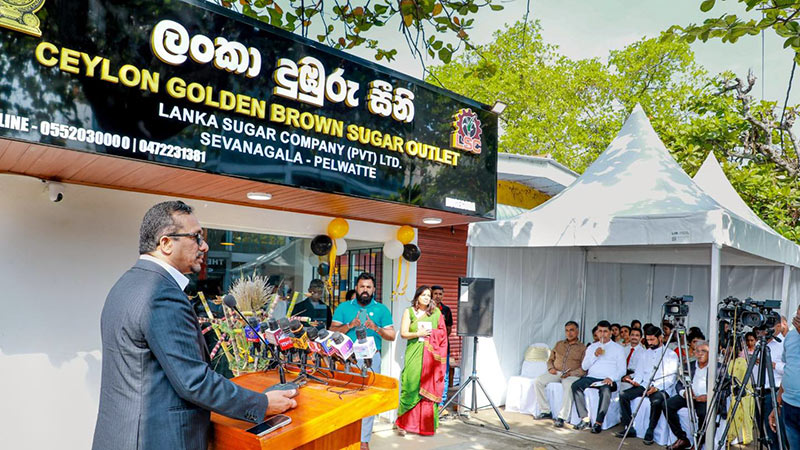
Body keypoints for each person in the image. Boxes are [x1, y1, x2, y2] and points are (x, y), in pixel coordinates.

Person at [92, 201, 298, 450]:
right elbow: (195, 381)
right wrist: (262, 404)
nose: (205, 246)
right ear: (166, 243)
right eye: (196, 237)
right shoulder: (161, 294)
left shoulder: (126, 284)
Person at [330, 272, 396, 450]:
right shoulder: (344, 307)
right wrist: (350, 325)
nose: (365, 290)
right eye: (362, 286)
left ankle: (363, 440)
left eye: (368, 287)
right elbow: (332, 331)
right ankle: (345, 435)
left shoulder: (382, 310)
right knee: (346, 397)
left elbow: (392, 335)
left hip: (371, 360)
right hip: (347, 358)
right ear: (356, 288)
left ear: (373, 289)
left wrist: (376, 328)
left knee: (367, 398)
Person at [395, 286, 448, 436]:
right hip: (414, 353)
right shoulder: (409, 311)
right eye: (423, 295)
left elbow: (443, 333)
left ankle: (427, 425)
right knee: (410, 385)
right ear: (417, 296)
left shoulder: (436, 312)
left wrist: (431, 335)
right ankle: (403, 424)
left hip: (431, 357)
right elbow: (404, 333)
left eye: (428, 295)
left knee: (428, 387)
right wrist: (418, 333)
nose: (426, 297)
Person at [616, 325, 678, 445]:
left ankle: (650, 431)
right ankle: (629, 427)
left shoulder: (670, 355)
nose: (649, 343)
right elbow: (639, 372)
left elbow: (671, 378)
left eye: (652, 340)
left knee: (656, 401)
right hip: (645, 384)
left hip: (662, 387)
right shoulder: (645, 354)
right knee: (623, 395)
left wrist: (656, 387)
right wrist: (636, 382)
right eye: (648, 340)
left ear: (660, 338)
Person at [572, 320, 626, 434]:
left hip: (610, 379)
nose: (602, 334)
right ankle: (585, 419)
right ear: (596, 333)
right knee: (576, 385)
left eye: (605, 331)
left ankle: (598, 423)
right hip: (592, 377)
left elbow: (622, 370)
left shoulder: (618, 348)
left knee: (605, 390)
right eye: (600, 331)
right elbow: (584, 366)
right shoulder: (592, 347)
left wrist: (611, 377)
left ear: (611, 333)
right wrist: (595, 355)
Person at [533, 321, 586, 428]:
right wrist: (551, 368)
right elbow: (550, 359)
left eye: (571, 330)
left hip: (572, 375)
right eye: (566, 330)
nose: (569, 333)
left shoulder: (583, 348)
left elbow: (584, 368)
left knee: (569, 387)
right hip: (556, 372)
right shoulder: (559, 344)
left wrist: (572, 373)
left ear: (577, 331)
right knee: (538, 381)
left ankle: (562, 417)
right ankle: (545, 411)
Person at [665, 341, 711, 450]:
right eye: (697, 351)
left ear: (711, 353)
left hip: (706, 399)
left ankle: (698, 443)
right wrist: (684, 392)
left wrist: (708, 396)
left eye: (703, 351)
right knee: (667, 405)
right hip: (689, 396)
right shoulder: (689, 366)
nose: (700, 354)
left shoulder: (717, 368)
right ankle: (682, 438)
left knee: (703, 414)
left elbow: (725, 389)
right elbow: (679, 383)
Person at [770, 304, 800, 447]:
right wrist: (777, 403)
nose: (798, 320)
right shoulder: (791, 337)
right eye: (798, 316)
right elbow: (789, 370)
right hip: (789, 405)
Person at [431, 285, 453, 410]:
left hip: (443, 347)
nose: (438, 296)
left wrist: (441, 340)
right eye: (435, 294)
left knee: (443, 374)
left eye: (440, 294)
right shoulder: (427, 310)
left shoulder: (446, 310)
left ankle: (441, 403)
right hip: (429, 347)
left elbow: (448, 329)